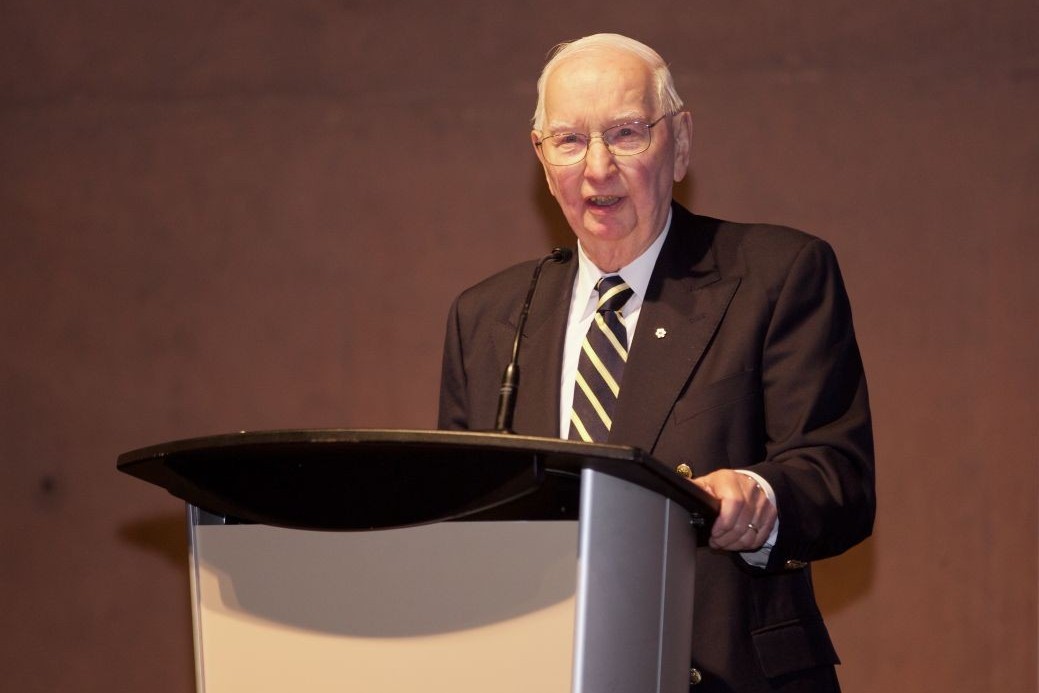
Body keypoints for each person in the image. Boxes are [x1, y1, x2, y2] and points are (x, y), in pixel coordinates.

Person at [438, 33, 875, 692]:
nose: (596, 168)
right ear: (540, 156)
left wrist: (757, 498)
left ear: (680, 144)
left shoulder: (775, 276)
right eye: (568, 140)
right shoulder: (489, 318)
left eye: (625, 133)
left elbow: (836, 476)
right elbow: (457, 517)